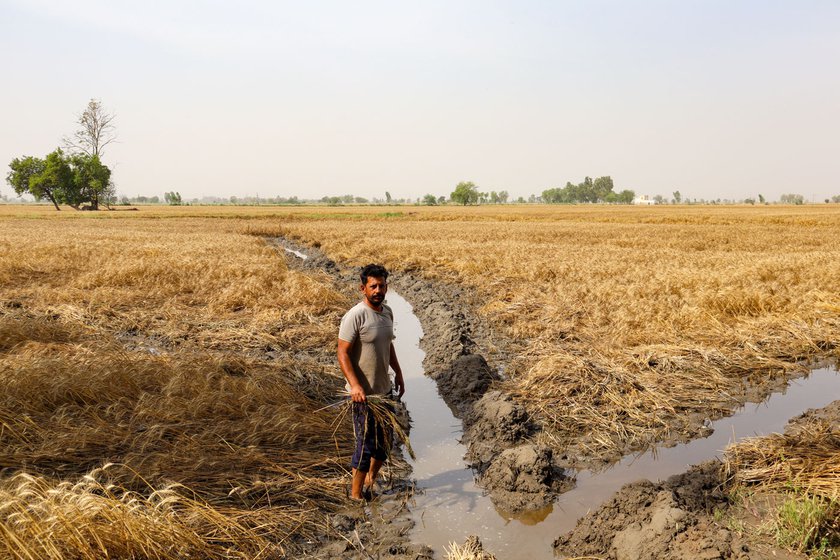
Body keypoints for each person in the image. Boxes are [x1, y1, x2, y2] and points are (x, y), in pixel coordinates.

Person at [337, 263, 406, 501]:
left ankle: (370, 480)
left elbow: (388, 344)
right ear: (363, 288)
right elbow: (342, 353)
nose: (378, 290)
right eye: (373, 286)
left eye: (382, 285)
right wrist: (355, 386)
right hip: (363, 396)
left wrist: (398, 372)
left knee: (385, 445)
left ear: (387, 287)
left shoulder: (387, 312)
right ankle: (355, 496)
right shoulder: (355, 315)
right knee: (365, 448)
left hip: (383, 392)